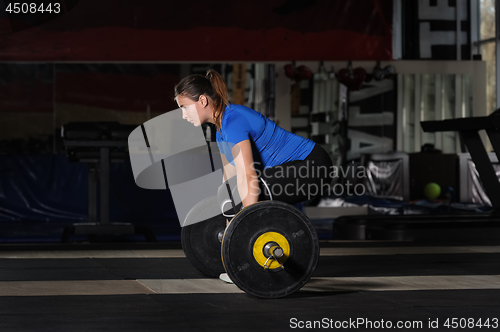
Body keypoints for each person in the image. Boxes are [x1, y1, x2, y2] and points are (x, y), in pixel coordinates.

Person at [174, 69, 333, 283]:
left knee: (251, 194)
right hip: (295, 168)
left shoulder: (233, 121)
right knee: (231, 193)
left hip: (312, 166)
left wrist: (242, 229)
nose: (183, 115)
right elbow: (229, 181)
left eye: (184, 108)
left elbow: (248, 177)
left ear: (202, 100)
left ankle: (251, 258)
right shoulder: (220, 128)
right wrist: (229, 223)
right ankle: (241, 258)